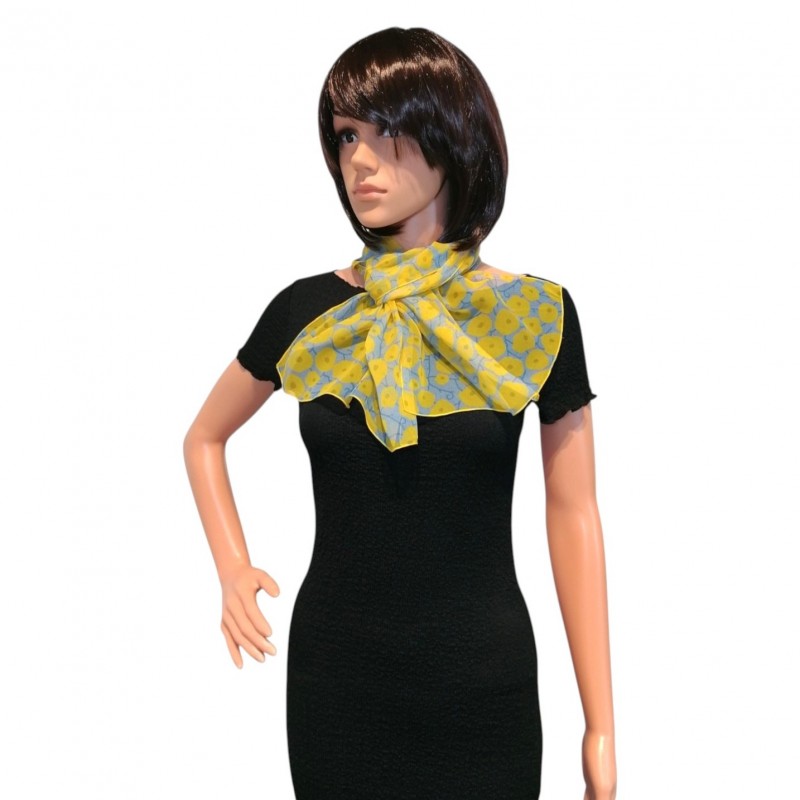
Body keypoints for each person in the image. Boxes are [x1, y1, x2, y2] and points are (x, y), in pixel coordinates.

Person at [183, 26, 616, 800]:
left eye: (385, 129)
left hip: (483, 684)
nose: (358, 159)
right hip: (338, 686)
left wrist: (601, 724)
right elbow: (204, 438)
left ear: (452, 136)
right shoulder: (307, 312)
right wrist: (232, 569)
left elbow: (573, 512)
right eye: (345, 135)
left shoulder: (534, 318)